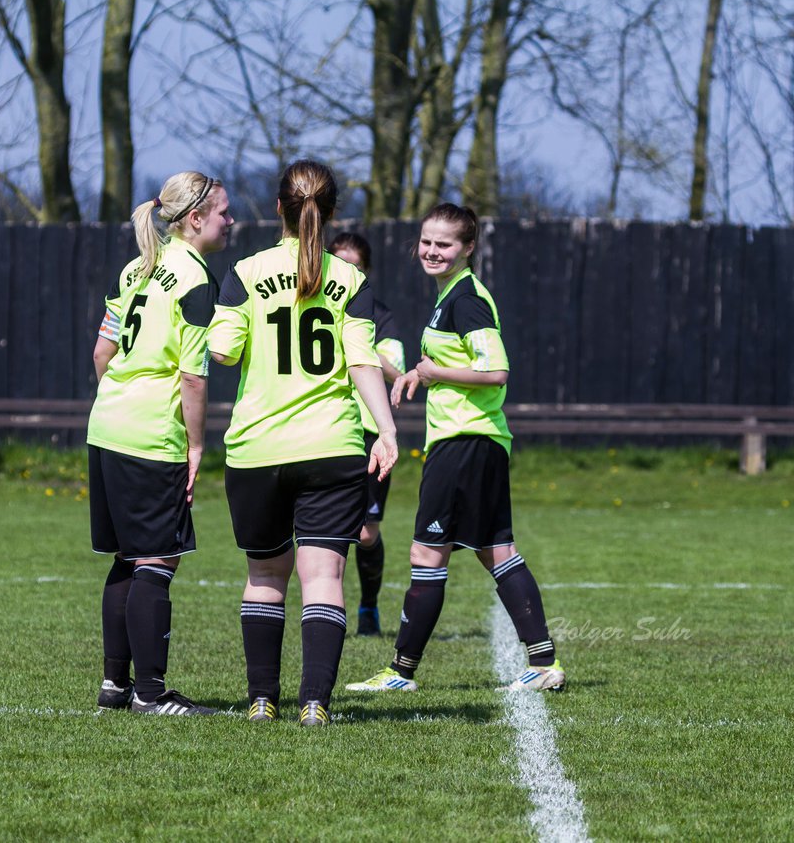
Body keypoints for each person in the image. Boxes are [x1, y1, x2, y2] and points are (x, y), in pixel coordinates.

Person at [208, 160, 398, 726]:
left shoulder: (245, 272)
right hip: (332, 447)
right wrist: (386, 430)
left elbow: (222, 353)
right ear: (331, 211)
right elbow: (365, 361)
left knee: (266, 577)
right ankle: (314, 703)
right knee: (323, 579)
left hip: (257, 449)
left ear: (278, 210)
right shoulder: (352, 281)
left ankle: (263, 701)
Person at [347, 203, 564, 695]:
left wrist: (430, 372)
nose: (431, 251)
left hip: (464, 441)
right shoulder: (450, 294)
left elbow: (495, 372)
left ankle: (400, 672)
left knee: (427, 552)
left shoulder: (467, 298)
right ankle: (543, 661)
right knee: (496, 550)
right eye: (426, 241)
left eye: (444, 244)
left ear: (468, 248)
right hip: (476, 440)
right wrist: (415, 374)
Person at [88, 171, 232, 716]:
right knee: (157, 560)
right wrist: (197, 447)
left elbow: (102, 353)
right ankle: (151, 694)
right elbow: (194, 377)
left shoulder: (134, 267)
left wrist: (120, 401)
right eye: (223, 212)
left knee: (129, 558)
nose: (231, 220)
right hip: (150, 434)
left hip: (107, 425)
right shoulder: (196, 280)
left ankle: (115, 687)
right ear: (195, 219)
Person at [327, 232, 406, 636]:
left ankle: (369, 606)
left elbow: (395, 373)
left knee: (365, 533)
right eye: (339, 262)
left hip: (370, 432)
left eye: (354, 266)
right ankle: (329, 613)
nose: (346, 272)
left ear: (366, 271)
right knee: (328, 528)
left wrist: (356, 340)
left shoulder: (380, 314)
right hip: (326, 428)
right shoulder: (311, 304)